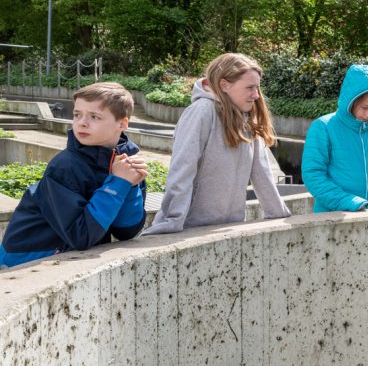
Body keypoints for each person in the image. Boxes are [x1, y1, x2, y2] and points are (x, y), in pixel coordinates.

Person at [0, 82, 148, 268]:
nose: (82, 122)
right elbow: (81, 235)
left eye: (94, 116)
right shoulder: (64, 166)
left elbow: (127, 232)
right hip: (26, 258)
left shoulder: (125, 163)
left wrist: (130, 185)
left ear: (122, 123)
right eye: (77, 114)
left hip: (66, 256)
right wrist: (117, 184)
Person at [144, 53, 291, 234]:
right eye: (250, 88)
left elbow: (262, 173)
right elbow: (182, 170)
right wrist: (171, 221)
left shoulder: (247, 119)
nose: (256, 95)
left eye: (258, 87)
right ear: (224, 85)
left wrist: (279, 216)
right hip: (189, 228)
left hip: (228, 227)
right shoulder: (201, 112)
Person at [301, 64, 368, 212]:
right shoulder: (323, 127)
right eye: (365, 107)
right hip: (333, 217)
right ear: (350, 101)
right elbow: (313, 174)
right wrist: (347, 201)